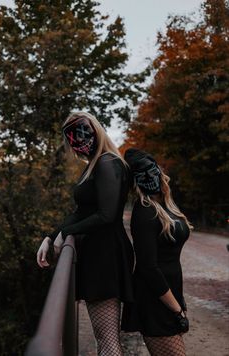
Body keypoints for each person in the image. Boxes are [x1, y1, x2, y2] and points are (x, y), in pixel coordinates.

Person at [37, 112, 134, 356]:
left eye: (83, 132)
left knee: (108, 338)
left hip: (106, 255)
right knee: (104, 337)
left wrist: (65, 233)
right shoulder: (95, 165)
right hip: (98, 254)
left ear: (97, 130)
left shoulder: (107, 163)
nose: (79, 142)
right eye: (73, 137)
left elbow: (106, 215)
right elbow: (81, 212)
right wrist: (52, 236)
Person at [121, 148, 192, 356]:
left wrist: (180, 301)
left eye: (152, 171)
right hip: (154, 300)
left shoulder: (166, 206)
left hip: (169, 295)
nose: (150, 177)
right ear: (135, 181)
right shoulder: (144, 212)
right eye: (142, 174)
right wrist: (176, 309)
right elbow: (148, 268)